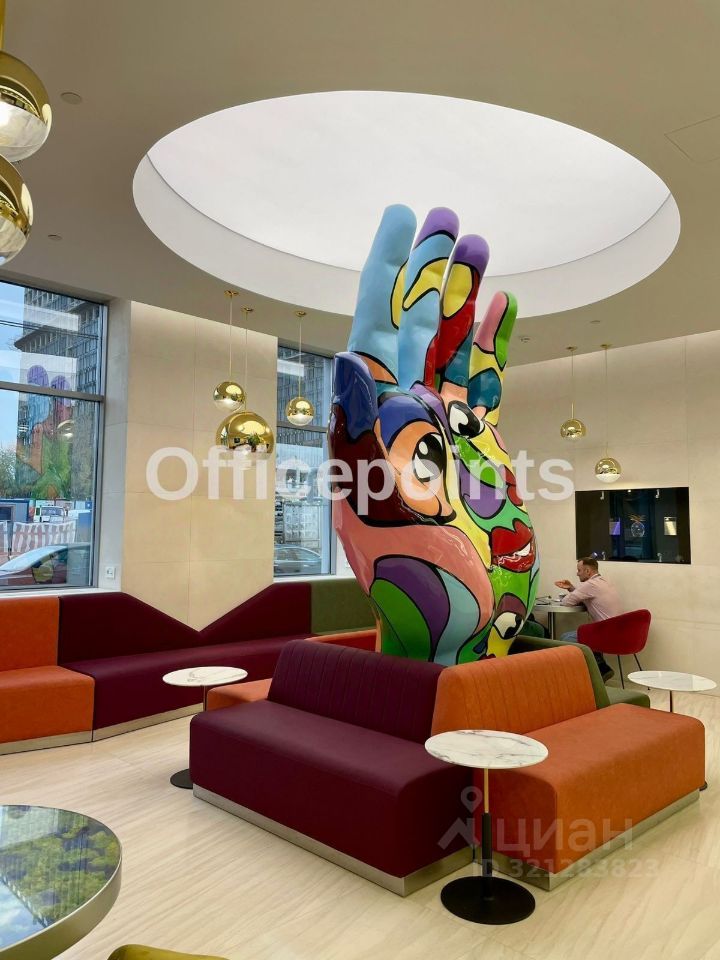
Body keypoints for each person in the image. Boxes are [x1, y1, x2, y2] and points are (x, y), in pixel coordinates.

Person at [555, 557, 622, 682]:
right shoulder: (603, 582)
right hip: (617, 631)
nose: (577, 573)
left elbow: (567, 602)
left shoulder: (590, 585)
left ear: (587, 571)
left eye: (579, 570)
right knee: (583, 635)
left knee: (566, 638)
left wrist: (569, 594)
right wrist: (571, 588)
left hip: (605, 633)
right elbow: (587, 594)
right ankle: (600, 667)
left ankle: (573, 676)